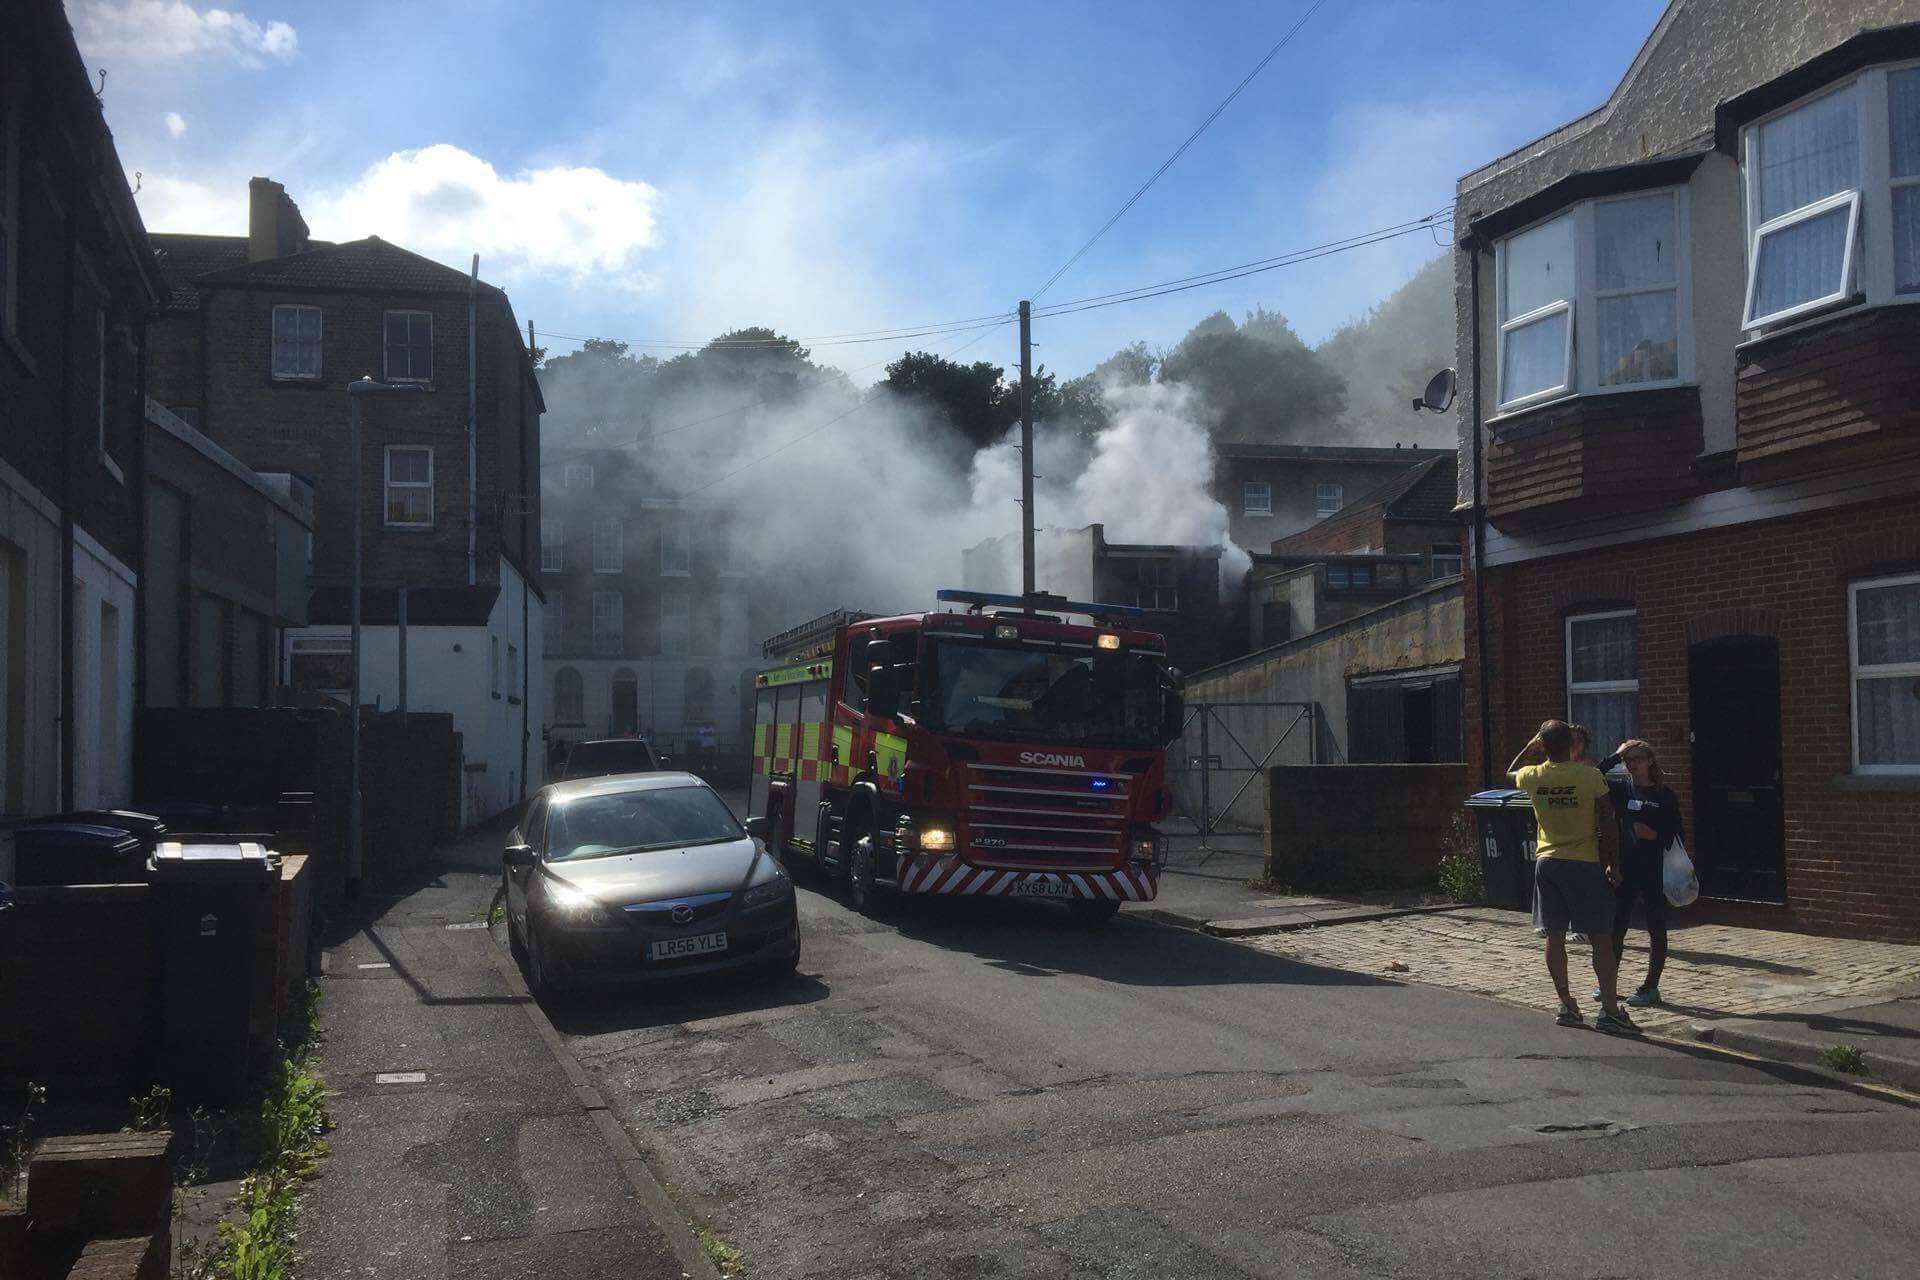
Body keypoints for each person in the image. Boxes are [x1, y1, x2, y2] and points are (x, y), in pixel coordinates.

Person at [1509, 720, 1636, 1033]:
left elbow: (1509, 771)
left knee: (1554, 935)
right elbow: (1608, 823)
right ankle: (1609, 1010)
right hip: (1584, 863)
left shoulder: (1533, 775)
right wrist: (1613, 864)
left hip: (1547, 862)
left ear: (1543, 745)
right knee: (1600, 938)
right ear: (1570, 744)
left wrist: (1531, 746)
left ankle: (1566, 1004)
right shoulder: (1590, 777)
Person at [1594, 739, 1682, 1007]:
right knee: (1616, 927)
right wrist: (1615, 755)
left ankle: (1650, 987)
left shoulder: (1664, 795)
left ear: (1650, 761)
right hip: (1625, 867)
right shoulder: (1621, 789)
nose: (1632, 764)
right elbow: (1593, 776)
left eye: (1637, 759)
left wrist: (1653, 834)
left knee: (1656, 926)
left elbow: (1678, 834)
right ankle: (1608, 983)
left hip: (1654, 869)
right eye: (1629, 760)